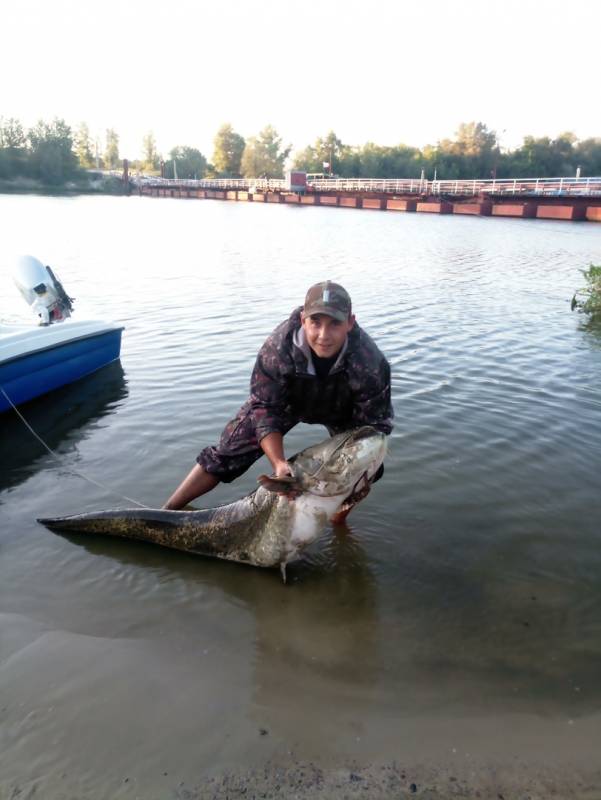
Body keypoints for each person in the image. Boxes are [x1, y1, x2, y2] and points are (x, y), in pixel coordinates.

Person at [163, 280, 393, 521]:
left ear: (350, 322)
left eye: (335, 323)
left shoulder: (371, 363)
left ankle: (337, 521)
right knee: (226, 454)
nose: (324, 335)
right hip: (286, 402)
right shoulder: (278, 348)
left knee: (368, 465)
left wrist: (360, 460)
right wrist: (279, 463)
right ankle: (165, 512)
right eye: (315, 322)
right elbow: (264, 409)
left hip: (342, 407)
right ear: (303, 319)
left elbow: (375, 428)